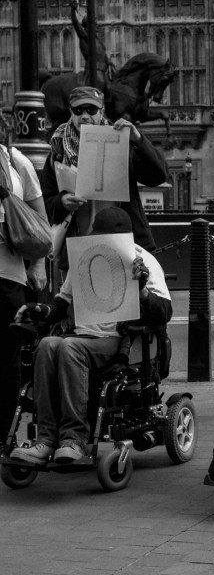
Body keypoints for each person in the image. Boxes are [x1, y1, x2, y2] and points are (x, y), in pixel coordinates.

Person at [9, 207, 172, 465]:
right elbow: (61, 303)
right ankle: (46, 438)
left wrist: (142, 291)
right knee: (48, 345)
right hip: (83, 336)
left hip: (120, 340)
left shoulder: (144, 261)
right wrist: (38, 309)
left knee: (68, 348)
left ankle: (73, 439)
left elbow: (164, 312)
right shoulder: (86, 257)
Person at [41, 86, 168, 265]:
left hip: (124, 246)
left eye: (91, 110)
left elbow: (157, 176)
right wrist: (62, 202)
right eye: (78, 110)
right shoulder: (58, 148)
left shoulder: (120, 140)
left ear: (102, 111)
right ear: (70, 112)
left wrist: (138, 140)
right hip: (77, 249)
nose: (85, 116)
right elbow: (45, 202)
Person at [0, 144, 49, 434]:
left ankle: (3, 435)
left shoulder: (16, 161)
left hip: (9, 278)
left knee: (7, 362)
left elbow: (40, 223)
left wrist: (38, 264)